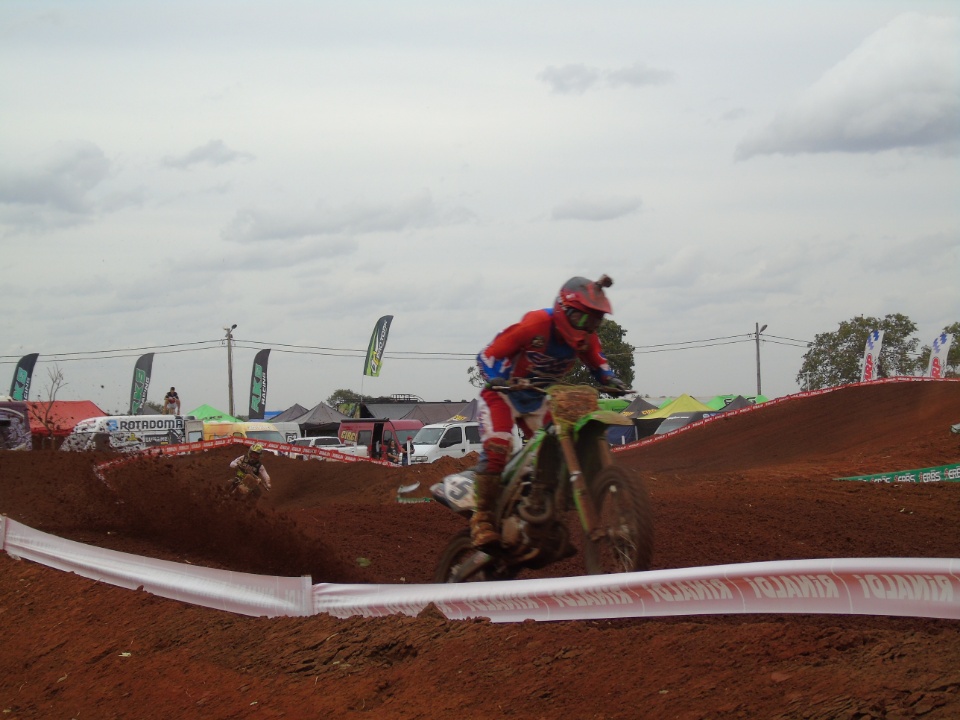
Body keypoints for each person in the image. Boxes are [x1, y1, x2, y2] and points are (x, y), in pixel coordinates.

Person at [471, 274, 628, 548]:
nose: (587, 327)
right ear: (563, 310)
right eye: (582, 319)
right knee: (499, 446)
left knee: (558, 451)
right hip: (503, 394)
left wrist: (611, 381)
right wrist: (495, 377)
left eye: (594, 322)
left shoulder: (585, 339)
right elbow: (487, 355)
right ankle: (481, 517)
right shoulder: (536, 324)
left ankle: (538, 516)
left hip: (539, 398)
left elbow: (599, 365)